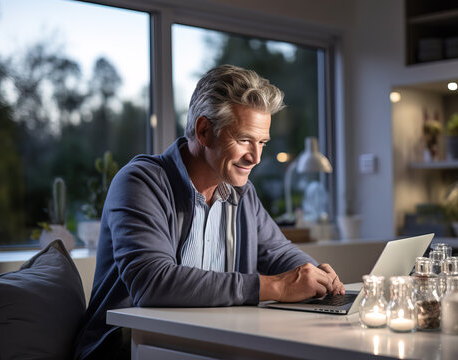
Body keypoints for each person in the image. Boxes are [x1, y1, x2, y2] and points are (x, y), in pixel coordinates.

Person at [74, 64, 345, 359]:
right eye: (244, 140)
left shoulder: (243, 193)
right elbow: (153, 282)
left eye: (262, 142)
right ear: (204, 131)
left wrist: (316, 276)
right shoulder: (140, 182)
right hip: (129, 348)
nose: (255, 157)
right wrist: (276, 286)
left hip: (203, 343)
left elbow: (278, 252)